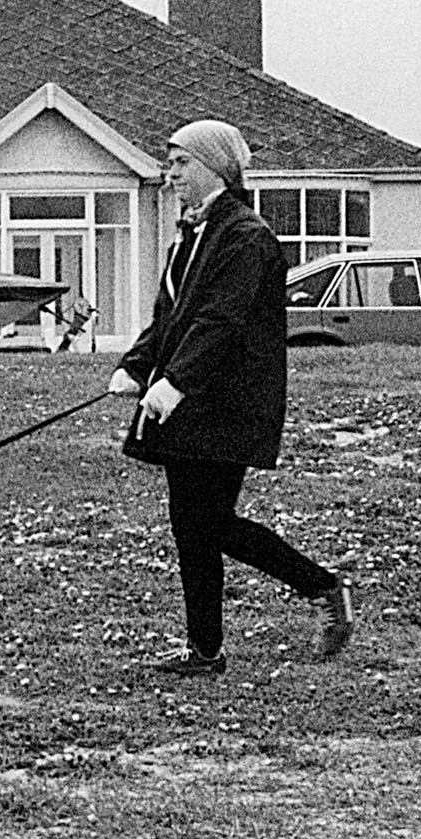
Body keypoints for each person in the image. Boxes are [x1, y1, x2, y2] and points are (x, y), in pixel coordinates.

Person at [107, 119, 353, 678]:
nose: (170, 175)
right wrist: (137, 365)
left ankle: (323, 587)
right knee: (192, 526)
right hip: (192, 402)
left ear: (215, 168)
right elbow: (172, 316)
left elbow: (223, 319)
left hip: (227, 402)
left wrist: (176, 381)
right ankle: (205, 651)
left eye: (180, 164)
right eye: (169, 163)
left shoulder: (244, 235)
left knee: (209, 523)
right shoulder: (193, 234)